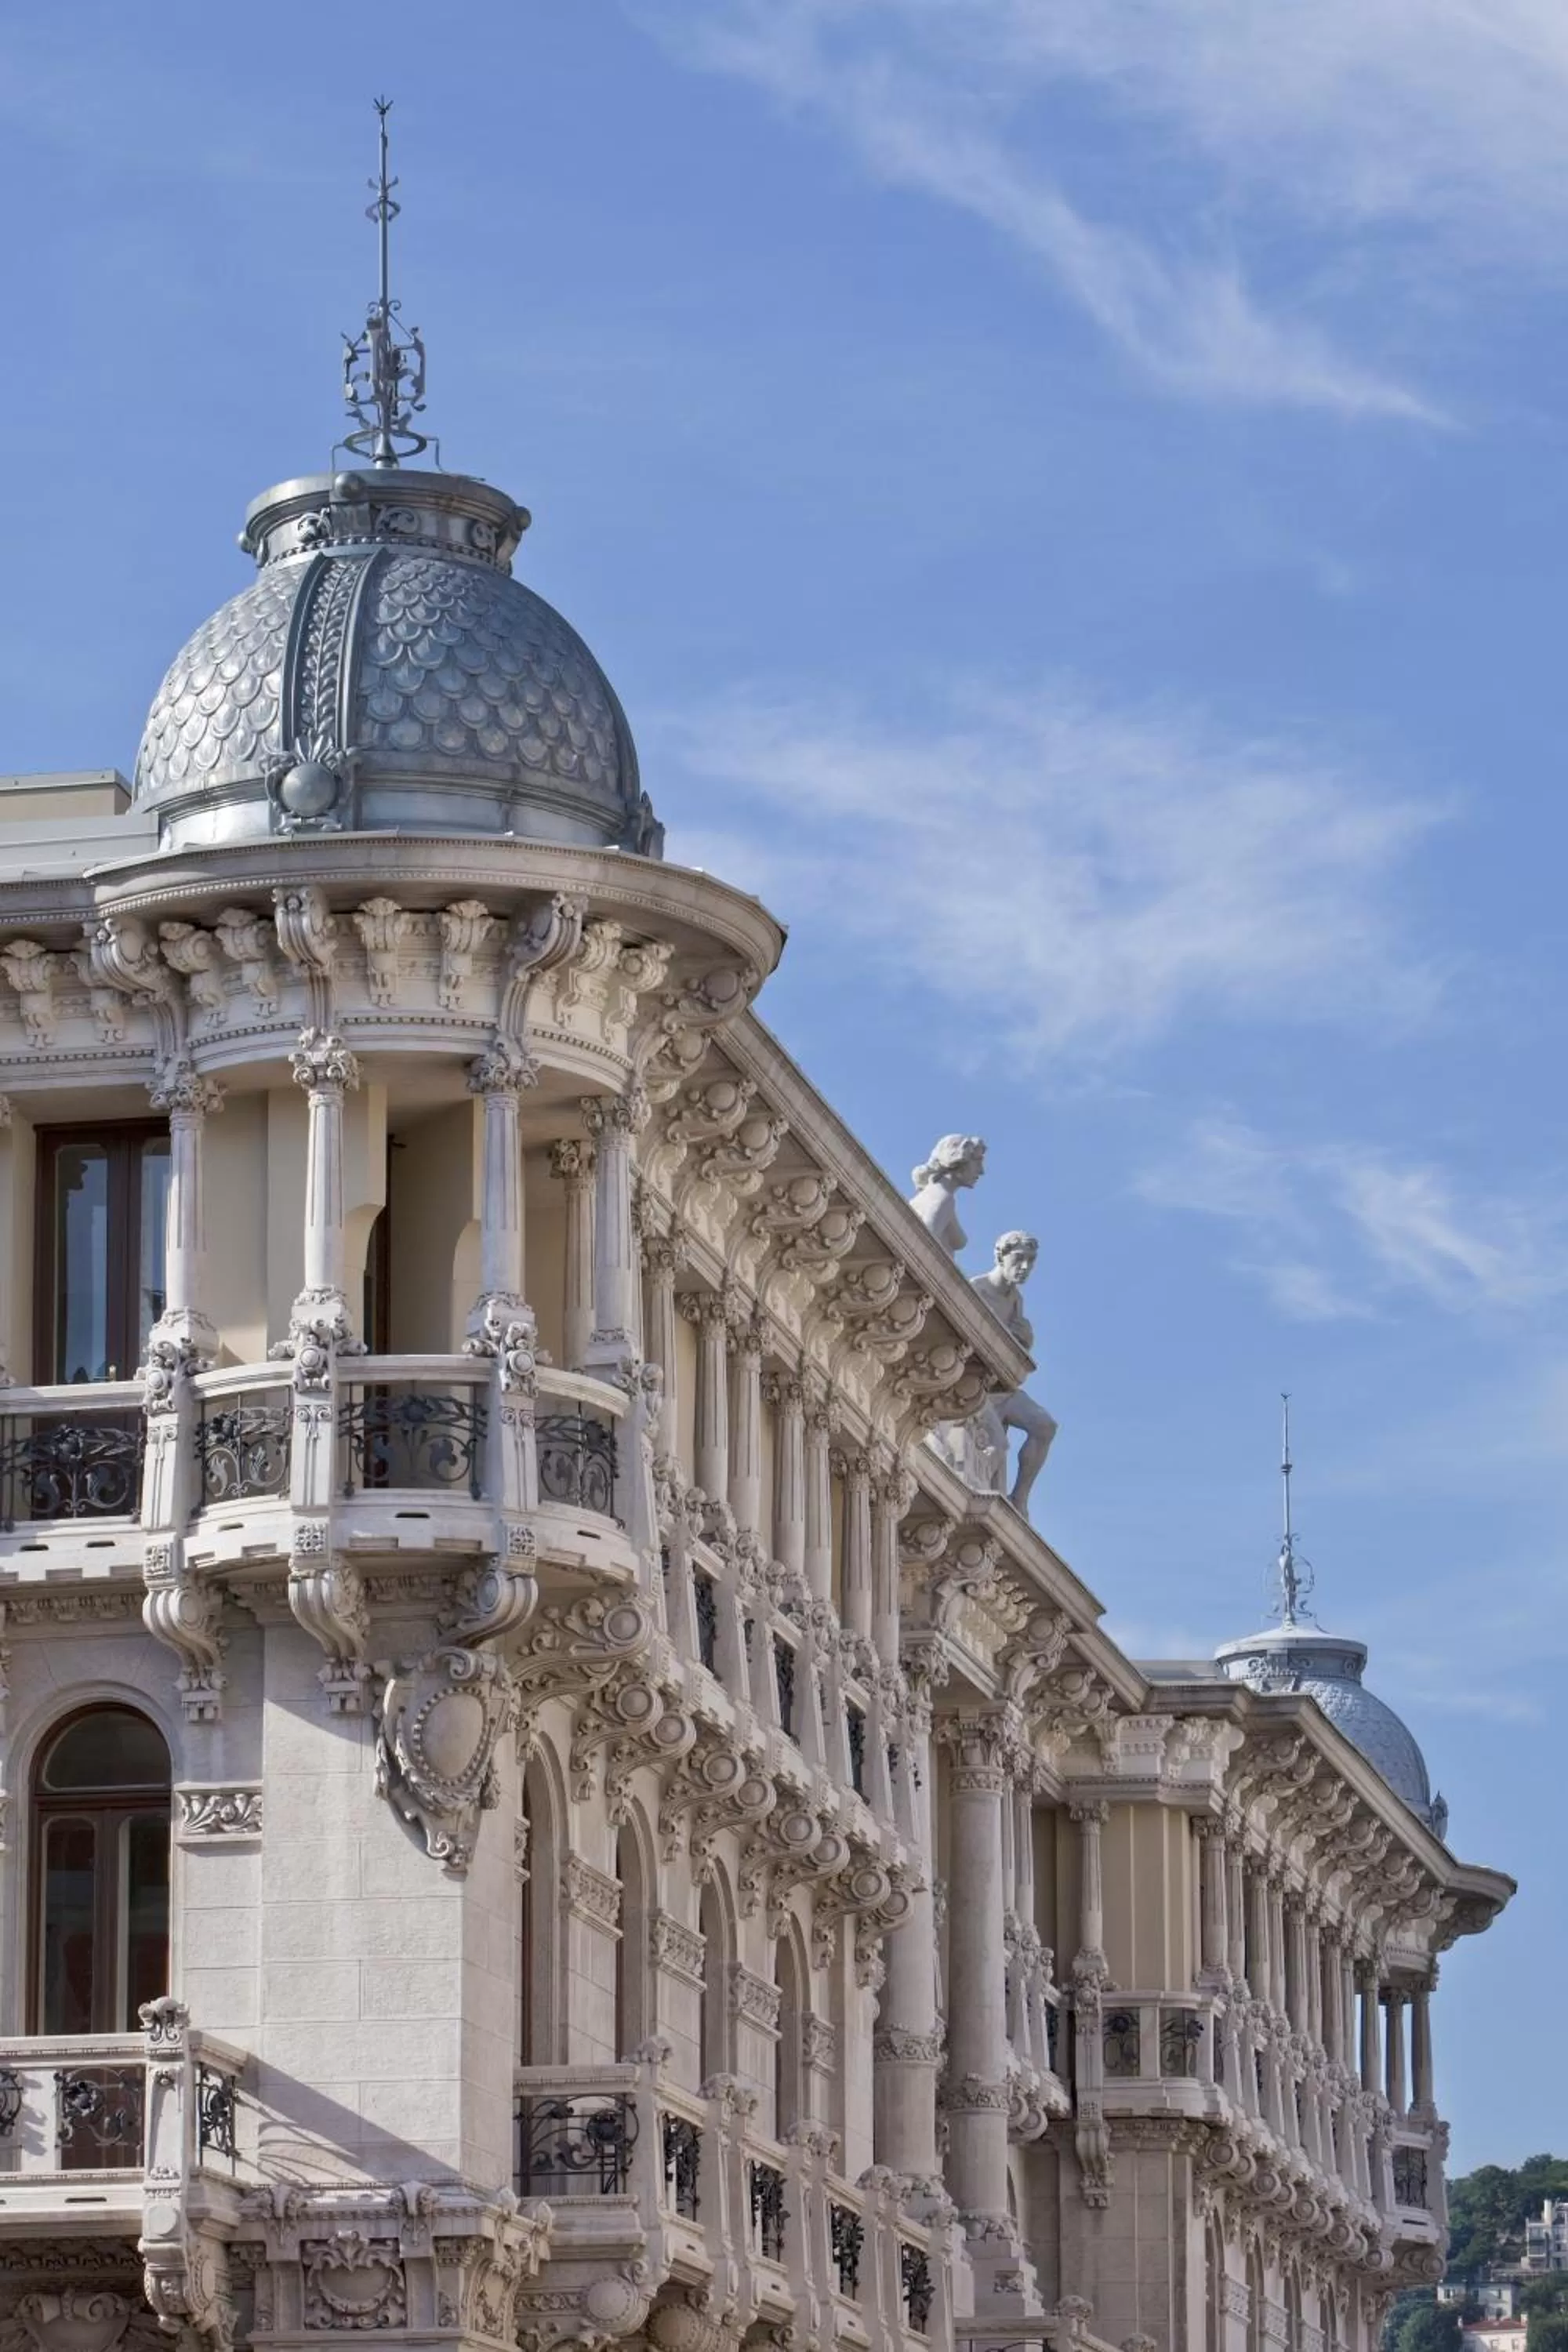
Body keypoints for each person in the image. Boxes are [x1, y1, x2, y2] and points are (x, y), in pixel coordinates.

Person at [970, 1231, 1058, 1515]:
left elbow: (1015, 1352)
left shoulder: (1015, 1300)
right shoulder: (977, 1290)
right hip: (976, 1390)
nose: (1024, 1268)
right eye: (1019, 1259)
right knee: (997, 1444)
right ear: (1001, 1256)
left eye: (1030, 1262)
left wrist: (1026, 1340)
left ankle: (1020, 1499)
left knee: (1045, 1426)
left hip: (1004, 1388)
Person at [907, 1134, 987, 1257]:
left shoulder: (932, 1194)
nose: (981, 1171)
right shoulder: (942, 1199)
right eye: (977, 1162)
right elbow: (920, 1248)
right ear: (960, 1160)